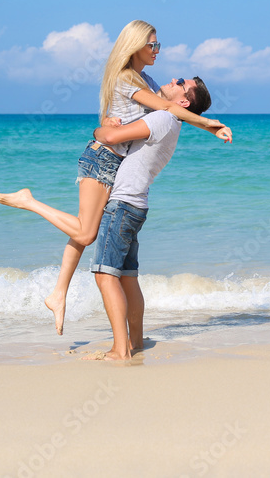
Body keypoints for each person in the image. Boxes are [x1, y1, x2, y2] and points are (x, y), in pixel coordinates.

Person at [0, 20, 231, 334]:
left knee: (82, 229)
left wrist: (107, 122)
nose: (157, 51)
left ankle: (59, 293)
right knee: (86, 232)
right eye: (152, 45)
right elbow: (163, 109)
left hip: (112, 162)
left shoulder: (145, 78)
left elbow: (153, 110)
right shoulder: (127, 78)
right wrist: (210, 124)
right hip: (103, 158)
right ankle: (29, 201)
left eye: (158, 45)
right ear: (136, 46)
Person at [82, 76, 209, 361]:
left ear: (184, 101)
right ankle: (135, 342)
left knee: (105, 274)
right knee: (127, 277)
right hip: (136, 204)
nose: (172, 79)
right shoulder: (170, 121)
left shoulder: (164, 118)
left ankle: (119, 350)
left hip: (124, 204)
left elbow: (112, 137)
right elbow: (143, 86)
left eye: (179, 81)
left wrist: (99, 129)